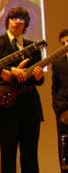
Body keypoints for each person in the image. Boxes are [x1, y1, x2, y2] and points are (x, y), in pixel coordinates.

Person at [0, 6, 44, 173]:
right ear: (8, 21)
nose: (16, 22)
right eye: (13, 18)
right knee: (8, 155)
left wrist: (39, 76)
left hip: (30, 107)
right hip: (6, 108)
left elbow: (38, 81)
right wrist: (11, 71)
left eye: (21, 20)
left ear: (25, 24)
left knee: (30, 155)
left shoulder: (33, 47)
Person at [51, 28, 68, 173]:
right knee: (65, 153)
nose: (66, 45)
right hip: (64, 114)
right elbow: (55, 90)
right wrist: (59, 111)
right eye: (63, 43)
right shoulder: (57, 63)